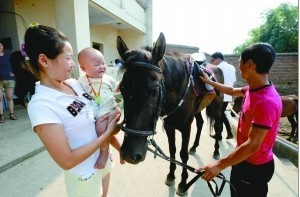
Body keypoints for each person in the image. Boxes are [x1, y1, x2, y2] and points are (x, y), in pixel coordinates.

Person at [23, 23, 121, 197]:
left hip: (103, 162)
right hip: (85, 175)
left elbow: (97, 114)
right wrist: (106, 136)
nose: (73, 65)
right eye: (68, 58)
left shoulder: (75, 84)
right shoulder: (42, 105)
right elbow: (66, 161)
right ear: (44, 60)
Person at [195, 43, 282, 197]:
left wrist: (219, 165)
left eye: (240, 62)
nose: (239, 66)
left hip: (254, 167)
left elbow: (252, 145)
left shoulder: (266, 102)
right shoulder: (253, 89)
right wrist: (210, 82)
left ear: (250, 64)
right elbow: (231, 90)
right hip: (243, 160)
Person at [78, 47, 125, 169]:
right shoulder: (81, 81)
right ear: (83, 68)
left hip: (108, 109)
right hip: (94, 111)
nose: (102, 66)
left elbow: (118, 88)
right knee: (106, 135)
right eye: (97, 64)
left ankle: (104, 154)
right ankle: (121, 149)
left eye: (103, 63)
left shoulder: (108, 79)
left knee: (100, 131)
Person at [210, 52, 236, 140]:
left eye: (213, 60)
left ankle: (223, 133)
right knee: (221, 113)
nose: (212, 62)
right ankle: (222, 133)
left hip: (220, 95)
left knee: (219, 114)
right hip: (229, 94)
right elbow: (234, 81)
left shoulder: (218, 68)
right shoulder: (232, 67)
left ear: (218, 59)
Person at [0, 41, 18, 122]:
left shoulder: (8, 56)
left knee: (9, 97)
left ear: (2, 46)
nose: (0, 47)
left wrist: (13, 73)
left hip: (8, 79)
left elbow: (13, 65)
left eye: (0, 45)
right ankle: (1, 116)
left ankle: (11, 114)